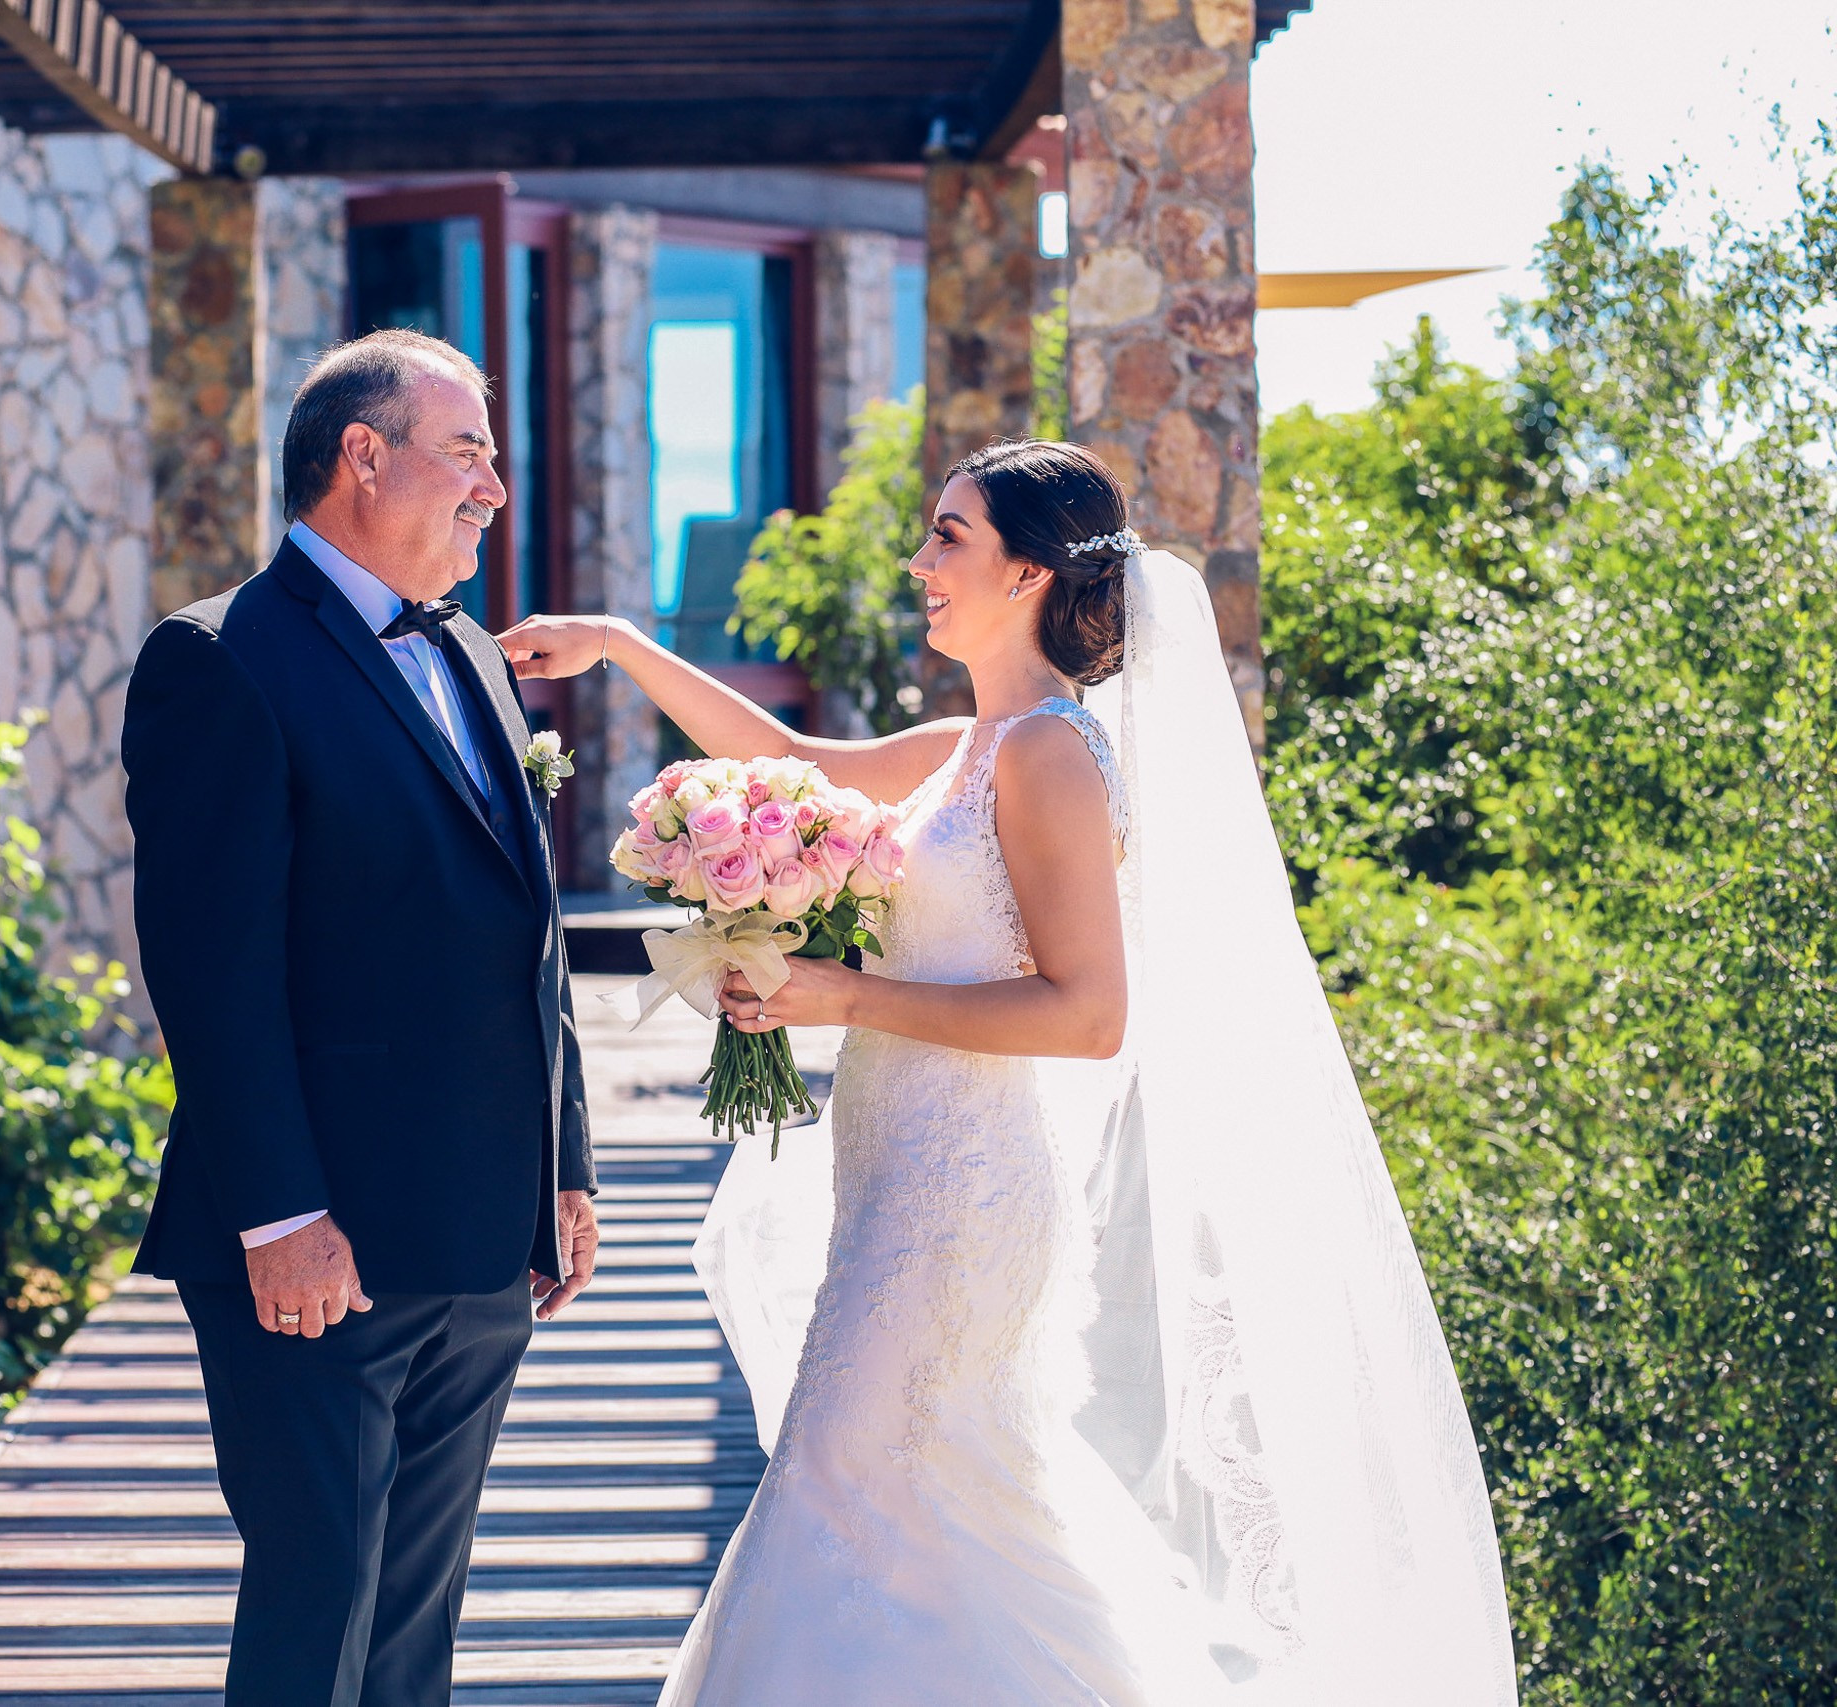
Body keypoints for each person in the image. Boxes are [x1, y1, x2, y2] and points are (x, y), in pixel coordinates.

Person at [497, 440, 1517, 1704]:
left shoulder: (1048, 757)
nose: (920, 563)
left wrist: (843, 995)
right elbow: (796, 763)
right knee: (926, 1508)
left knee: (847, 1482)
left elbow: (1091, 1017)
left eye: (948, 537)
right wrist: (621, 644)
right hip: (893, 1174)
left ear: (1028, 571)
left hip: (963, 1201)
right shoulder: (972, 744)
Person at [119, 328, 599, 1707]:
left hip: (480, 1232)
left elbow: (529, 936)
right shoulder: (219, 659)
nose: (493, 489)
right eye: (468, 453)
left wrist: (561, 1162)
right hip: (314, 1242)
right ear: (362, 457)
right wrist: (277, 1213)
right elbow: (209, 968)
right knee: (316, 1601)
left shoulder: (476, 658)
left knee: (414, 1622)